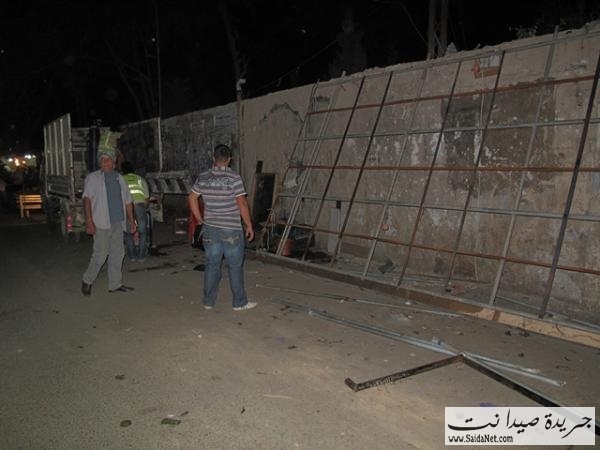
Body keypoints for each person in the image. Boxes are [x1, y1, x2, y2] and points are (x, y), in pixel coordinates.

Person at [188, 144, 256, 311]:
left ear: (214, 159)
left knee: (212, 264)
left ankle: (208, 301)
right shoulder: (234, 178)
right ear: (229, 160)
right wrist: (249, 225)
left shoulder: (203, 177)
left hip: (210, 228)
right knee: (234, 266)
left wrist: (199, 219)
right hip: (231, 229)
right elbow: (242, 203)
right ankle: (239, 303)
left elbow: (192, 198)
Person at [81, 136, 136, 296]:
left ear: (113, 162)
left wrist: (132, 220)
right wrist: (89, 221)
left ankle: (115, 284)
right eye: (102, 160)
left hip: (118, 222)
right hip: (101, 223)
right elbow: (86, 199)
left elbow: (128, 201)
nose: (104, 163)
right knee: (100, 255)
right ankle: (87, 280)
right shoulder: (93, 178)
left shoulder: (120, 179)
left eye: (107, 160)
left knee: (118, 254)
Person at [121, 161, 150, 262]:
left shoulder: (120, 179)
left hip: (126, 207)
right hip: (139, 205)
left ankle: (132, 256)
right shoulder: (140, 179)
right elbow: (146, 197)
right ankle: (141, 256)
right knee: (142, 232)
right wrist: (145, 207)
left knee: (128, 233)